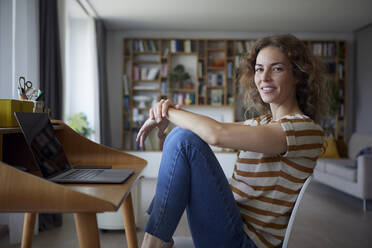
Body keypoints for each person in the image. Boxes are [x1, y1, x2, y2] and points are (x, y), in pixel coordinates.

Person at [136, 34, 326, 248]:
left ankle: (152, 243)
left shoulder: (304, 129)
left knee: (182, 139)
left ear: (298, 75)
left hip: (245, 242)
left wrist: (166, 112)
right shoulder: (261, 122)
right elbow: (211, 131)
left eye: (277, 68)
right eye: (259, 69)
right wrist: (167, 112)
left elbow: (216, 133)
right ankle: (155, 241)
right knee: (181, 137)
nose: (264, 78)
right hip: (232, 224)